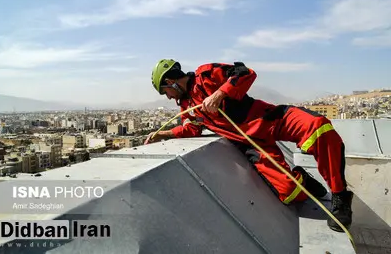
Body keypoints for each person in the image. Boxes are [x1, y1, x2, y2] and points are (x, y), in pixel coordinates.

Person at [144, 59, 353, 232]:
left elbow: (245, 72)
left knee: (319, 128)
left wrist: (219, 94)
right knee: (289, 192)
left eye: (166, 92)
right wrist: (162, 134)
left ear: (171, 82)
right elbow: (191, 129)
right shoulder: (187, 106)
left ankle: (340, 196)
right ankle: (303, 181)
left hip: (270, 119)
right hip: (252, 144)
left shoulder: (206, 74)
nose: (169, 97)